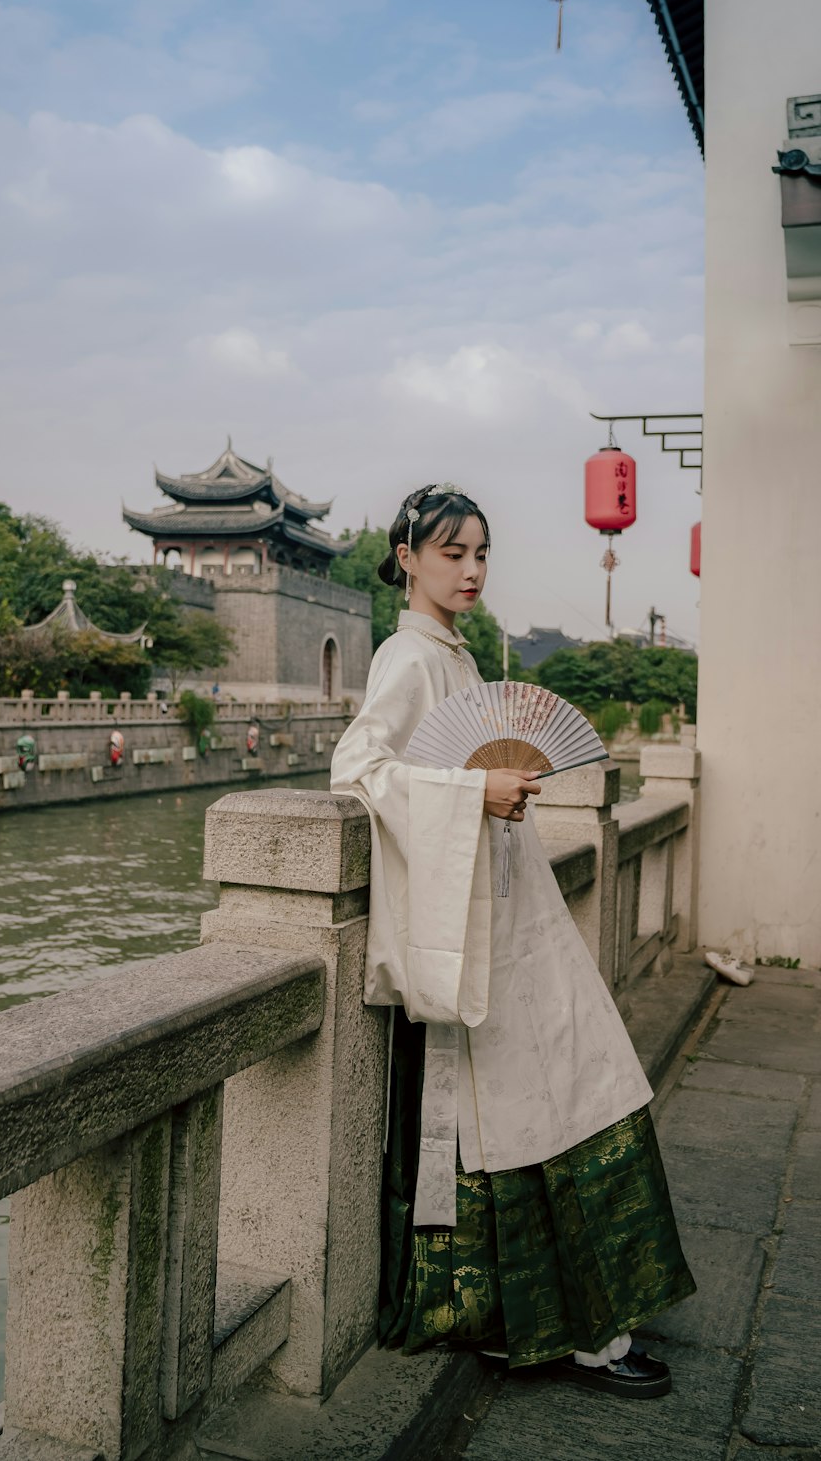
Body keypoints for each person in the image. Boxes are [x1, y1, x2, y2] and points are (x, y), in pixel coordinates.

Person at [329, 482, 694, 1399]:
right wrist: (472, 794)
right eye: (452, 553)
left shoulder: (458, 656)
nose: (471, 570)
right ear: (406, 557)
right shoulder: (406, 658)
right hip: (477, 926)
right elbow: (360, 768)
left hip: (507, 910)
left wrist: (488, 790)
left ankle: (539, 1314)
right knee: (537, 1104)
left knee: (567, 1089)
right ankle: (574, 1327)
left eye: (481, 553)